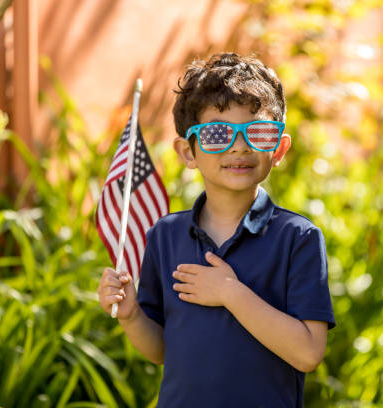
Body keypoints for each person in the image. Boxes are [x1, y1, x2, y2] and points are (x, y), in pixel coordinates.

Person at [97, 52, 335, 407]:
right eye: (216, 133)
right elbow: (162, 350)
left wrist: (231, 293)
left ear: (279, 147)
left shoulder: (297, 238)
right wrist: (131, 316)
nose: (239, 146)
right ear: (187, 153)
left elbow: (308, 353)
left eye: (257, 132)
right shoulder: (165, 236)